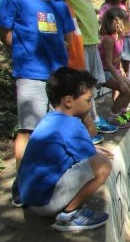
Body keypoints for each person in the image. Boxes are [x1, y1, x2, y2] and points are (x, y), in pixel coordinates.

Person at [0, 0, 74, 184]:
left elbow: (69, 38)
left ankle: (48, 178)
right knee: (29, 130)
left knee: (55, 129)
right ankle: (23, 182)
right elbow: (5, 34)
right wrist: (27, 53)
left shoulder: (60, 6)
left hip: (58, 77)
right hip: (31, 75)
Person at [17, 67, 112, 231]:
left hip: (32, 198)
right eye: (88, 100)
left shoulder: (50, 119)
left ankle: (67, 209)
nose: (90, 105)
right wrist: (87, 123)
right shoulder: (71, 125)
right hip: (45, 202)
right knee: (103, 164)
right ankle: (69, 215)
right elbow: (93, 159)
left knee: (96, 157)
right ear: (68, 101)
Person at [62, 0, 118, 137]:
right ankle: (88, 123)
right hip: (79, 44)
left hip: (91, 41)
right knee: (81, 86)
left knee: (90, 85)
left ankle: (93, 119)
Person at [50, 0, 101, 144]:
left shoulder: (66, 6)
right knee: (79, 122)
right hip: (68, 72)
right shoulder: (55, 5)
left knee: (87, 124)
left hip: (77, 68)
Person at [98, 7, 130, 127]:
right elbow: (108, 63)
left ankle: (122, 112)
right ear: (117, 23)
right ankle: (112, 116)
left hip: (113, 71)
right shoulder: (109, 40)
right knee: (124, 89)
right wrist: (120, 80)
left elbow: (117, 57)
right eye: (126, 21)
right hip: (104, 72)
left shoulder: (121, 37)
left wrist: (121, 69)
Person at [100, 0, 130, 83]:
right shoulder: (106, 7)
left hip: (126, 39)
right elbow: (103, 26)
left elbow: (128, 23)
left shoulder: (123, 6)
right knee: (115, 68)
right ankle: (121, 88)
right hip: (113, 41)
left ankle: (126, 87)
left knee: (125, 69)